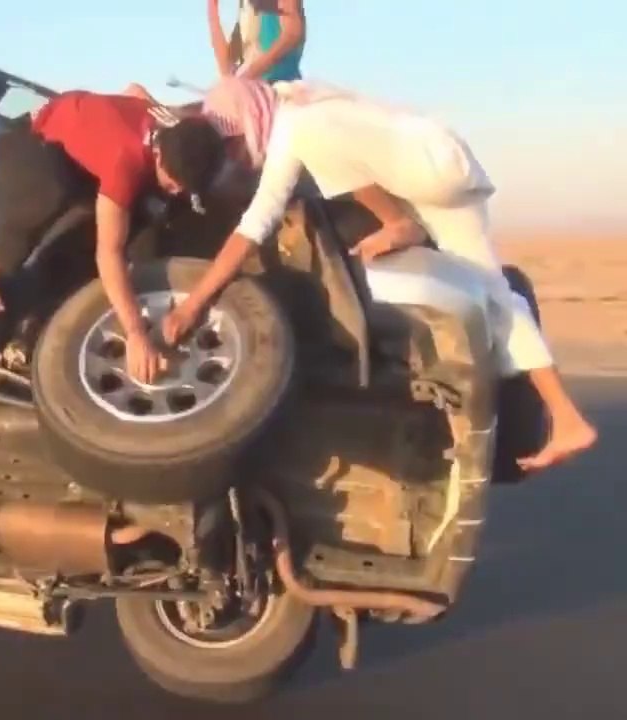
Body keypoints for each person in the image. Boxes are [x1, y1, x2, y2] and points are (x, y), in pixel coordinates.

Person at [159, 75, 598, 471]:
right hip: (441, 164)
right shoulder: (297, 115)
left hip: (430, 171)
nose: (235, 155)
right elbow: (266, 214)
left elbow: (256, 223)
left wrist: (194, 303)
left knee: (324, 156)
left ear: (247, 116)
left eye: (231, 143)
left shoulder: (299, 127)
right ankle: (566, 417)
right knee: (496, 297)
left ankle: (399, 224)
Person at [0, 90, 225, 384]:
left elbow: (134, 89)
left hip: (85, 145)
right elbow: (108, 254)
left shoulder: (181, 126)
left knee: (150, 227)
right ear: (159, 153)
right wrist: (136, 333)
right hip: (32, 142)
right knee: (48, 198)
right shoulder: (125, 161)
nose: (178, 191)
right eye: (174, 184)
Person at [208, 0, 306, 83]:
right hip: (250, 89)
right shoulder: (243, 10)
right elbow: (227, 69)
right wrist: (213, 14)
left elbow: (293, 33)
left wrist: (248, 75)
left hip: (281, 85)